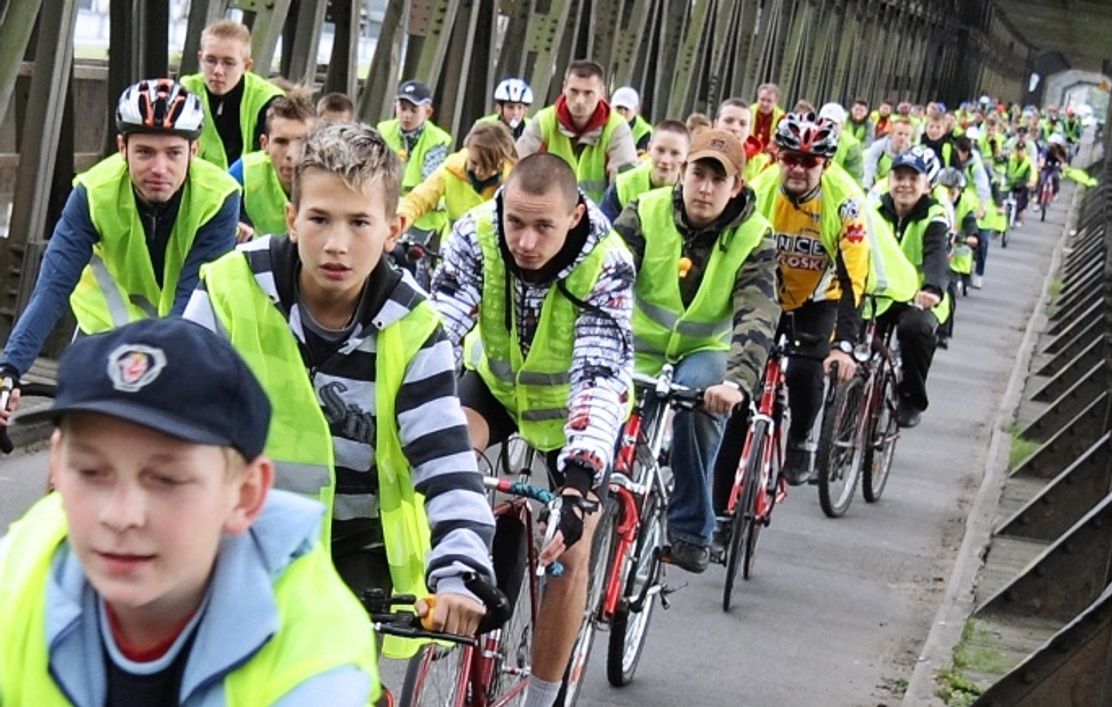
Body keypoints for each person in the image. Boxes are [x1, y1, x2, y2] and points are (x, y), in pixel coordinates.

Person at [184, 123, 496, 656]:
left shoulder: (414, 328)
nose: (336, 243)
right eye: (319, 219)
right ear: (291, 219)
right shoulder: (230, 288)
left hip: (354, 546)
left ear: (393, 229)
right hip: (239, 534)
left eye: (359, 223)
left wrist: (460, 570)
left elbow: (446, 462)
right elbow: (173, 413)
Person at [0, 318, 380, 704]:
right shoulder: (19, 567)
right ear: (57, 465)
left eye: (166, 480)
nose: (120, 515)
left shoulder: (315, 651)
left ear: (246, 494)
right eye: (91, 473)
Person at [430, 153, 635, 707]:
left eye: (543, 226)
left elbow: (597, 377)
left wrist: (578, 484)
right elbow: (438, 328)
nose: (524, 240)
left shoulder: (606, 262)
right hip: (496, 388)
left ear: (573, 217)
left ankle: (542, 698)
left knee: (571, 550)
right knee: (440, 456)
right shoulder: (475, 230)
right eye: (515, 221)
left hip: (572, 410)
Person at [0, 79, 239, 421]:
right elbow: (52, 288)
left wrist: (159, 373)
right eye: (144, 152)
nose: (159, 168)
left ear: (194, 151)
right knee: (77, 446)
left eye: (173, 153)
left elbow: (194, 298)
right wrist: (9, 368)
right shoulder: (92, 193)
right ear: (122, 147)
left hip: (182, 331)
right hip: (104, 333)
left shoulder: (220, 197)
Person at [612, 129, 779, 571]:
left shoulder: (755, 236)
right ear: (682, 173)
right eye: (698, 174)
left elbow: (758, 313)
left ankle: (690, 529)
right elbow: (602, 278)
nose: (705, 188)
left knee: (700, 398)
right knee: (603, 424)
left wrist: (738, 382)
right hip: (638, 347)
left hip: (706, 351)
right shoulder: (645, 211)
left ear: (736, 186)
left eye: (717, 180)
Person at [748, 112, 870, 484]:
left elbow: (854, 278)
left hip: (820, 296)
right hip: (768, 291)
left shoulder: (846, 202)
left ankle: (801, 436)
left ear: (826, 163)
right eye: (790, 159)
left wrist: (845, 344)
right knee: (744, 371)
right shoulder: (760, 191)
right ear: (778, 158)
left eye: (810, 162)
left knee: (804, 371)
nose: (798, 169)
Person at [871, 151, 951, 428]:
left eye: (913, 178)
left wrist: (933, 288)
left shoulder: (935, 216)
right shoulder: (875, 210)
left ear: (926, 185)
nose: (904, 184)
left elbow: (937, 255)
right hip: (880, 293)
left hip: (919, 297)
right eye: (899, 177)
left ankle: (911, 397)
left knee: (914, 330)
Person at [516, 60, 639, 203]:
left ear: (601, 93)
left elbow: (624, 187)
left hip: (598, 217)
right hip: (548, 214)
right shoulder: (544, 122)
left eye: (588, 93)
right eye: (574, 91)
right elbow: (517, 172)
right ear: (564, 88)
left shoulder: (616, 128)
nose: (580, 100)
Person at [179, 19, 284, 169]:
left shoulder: (269, 100)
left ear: (246, 66)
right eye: (210, 60)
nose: (218, 71)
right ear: (200, 59)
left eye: (228, 63)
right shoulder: (186, 92)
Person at [397, 120, 518, 232]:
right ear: (467, 150)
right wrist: (399, 222)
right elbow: (419, 199)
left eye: (488, 166)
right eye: (474, 162)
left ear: (501, 162)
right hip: (451, 251)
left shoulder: (513, 184)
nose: (479, 172)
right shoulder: (450, 170)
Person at [230, 88, 317, 239]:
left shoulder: (332, 179)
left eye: (302, 142)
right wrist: (231, 225)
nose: (292, 154)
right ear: (265, 144)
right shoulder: (245, 171)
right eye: (281, 142)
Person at [377, 79, 453, 238]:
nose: (406, 116)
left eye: (413, 110)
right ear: (395, 107)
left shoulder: (436, 140)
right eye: (402, 108)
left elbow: (430, 182)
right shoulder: (383, 130)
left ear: (428, 113)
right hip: (384, 207)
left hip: (421, 216)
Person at [599, 119, 690, 222]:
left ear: (686, 156)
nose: (665, 160)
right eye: (660, 150)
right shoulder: (623, 186)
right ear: (649, 149)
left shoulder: (691, 192)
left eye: (675, 153)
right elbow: (603, 230)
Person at [935, 167, 980, 348]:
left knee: (950, 293)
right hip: (934, 254)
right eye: (945, 190)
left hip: (955, 259)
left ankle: (944, 333)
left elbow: (973, 234)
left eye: (952, 191)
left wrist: (966, 238)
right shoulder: (934, 201)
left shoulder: (966, 207)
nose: (949, 195)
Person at [954, 134, 993, 288]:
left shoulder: (975, 166)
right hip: (960, 205)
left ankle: (979, 273)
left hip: (977, 207)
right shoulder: (955, 164)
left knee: (982, 241)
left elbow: (983, 189)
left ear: (965, 152)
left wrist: (982, 208)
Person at [715, 97, 768, 181]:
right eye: (728, 121)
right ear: (716, 123)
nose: (735, 128)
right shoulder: (698, 152)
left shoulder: (762, 164)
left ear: (750, 129)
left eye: (743, 124)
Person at [863, 117, 915, 189]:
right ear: (891, 134)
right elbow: (869, 169)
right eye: (900, 133)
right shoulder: (878, 146)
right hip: (875, 185)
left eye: (907, 135)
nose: (903, 138)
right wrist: (866, 189)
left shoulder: (912, 153)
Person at [819, 102, 863, 182]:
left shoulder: (852, 145)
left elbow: (855, 178)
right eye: (825, 121)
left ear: (843, 125)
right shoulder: (811, 138)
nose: (829, 126)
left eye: (834, 123)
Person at [1004, 140, 1038, 226]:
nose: (1019, 152)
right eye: (1018, 150)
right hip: (1009, 183)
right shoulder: (1010, 159)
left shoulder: (1028, 161)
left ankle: (1018, 216)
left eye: (1021, 150)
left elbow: (1033, 173)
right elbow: (1003, 168)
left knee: (1023, 197)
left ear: (1025, 151)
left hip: (1022, 184)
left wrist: (1032, 182)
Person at [611, 86, 653, 152]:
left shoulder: (644, 131)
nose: (622, 112)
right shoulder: (603, 122)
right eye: (619, 107)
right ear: (611, 107)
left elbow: (642, 156)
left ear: (636, 110)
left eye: (626, 108)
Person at [750, 82, 785, 154]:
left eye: (769, 101)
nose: (765, 104)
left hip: (769, 154)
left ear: (776, 102)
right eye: (762, 99)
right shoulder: (749, 111)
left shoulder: (782, 117)